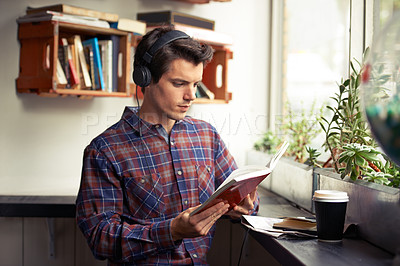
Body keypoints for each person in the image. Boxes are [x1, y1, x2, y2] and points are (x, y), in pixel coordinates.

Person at [76, 25, 259, 265]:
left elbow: (240, 198)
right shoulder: (104, 150)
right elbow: (100, 238)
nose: (191, 95)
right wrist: (172, 231)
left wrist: (245, 205)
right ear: (145, 78)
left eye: (195, 84)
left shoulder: (207, 136)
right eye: (179, 83)